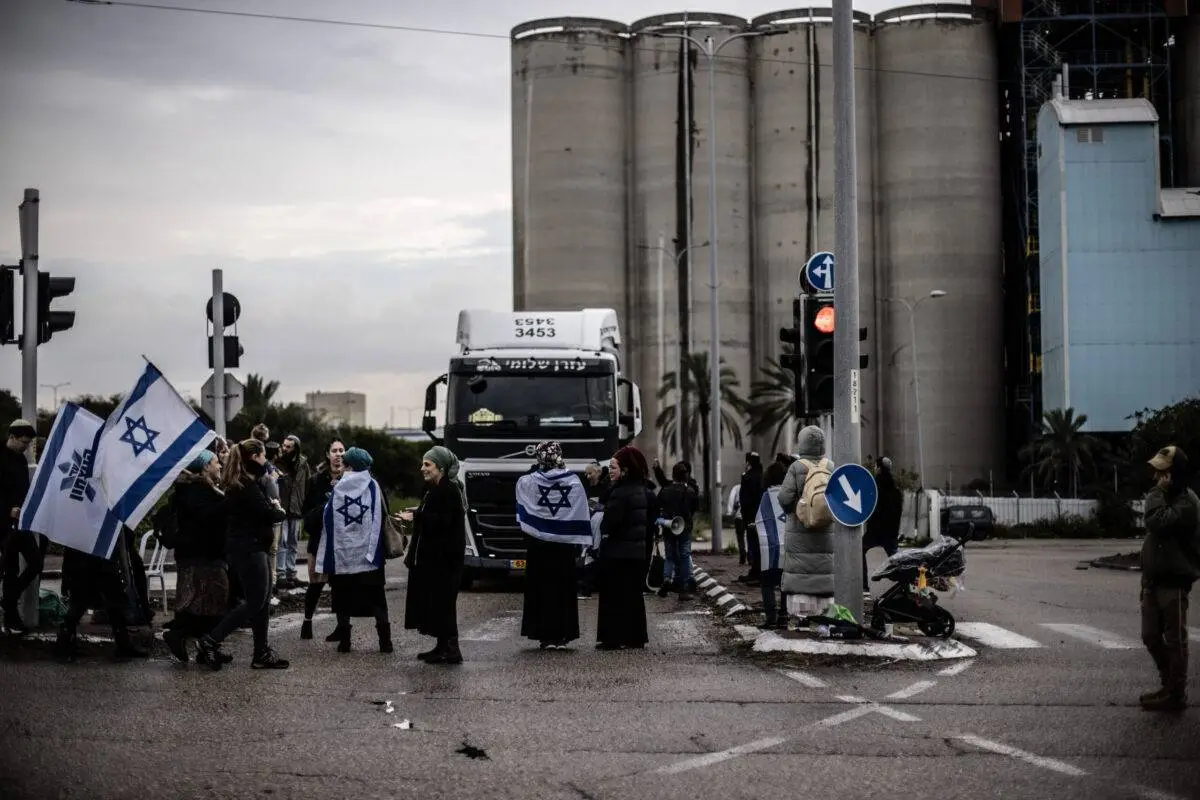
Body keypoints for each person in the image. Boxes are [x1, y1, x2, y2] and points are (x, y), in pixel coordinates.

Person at [196, 439, 289, 670]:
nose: (266, 460)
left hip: (254, 547)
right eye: (263, 455)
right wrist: (278, 509)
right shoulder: (245, 485)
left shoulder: (245, 483)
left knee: (262, 602)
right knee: (255, 602)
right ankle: (210, 640)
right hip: (249, 549)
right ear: (254, 456)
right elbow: (267, 513)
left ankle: (261, 653)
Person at [1139, 445, 1200, 712]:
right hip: (1153, 580)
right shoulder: (1164, 496)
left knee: (1175, 639)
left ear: (1175, 473)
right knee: (1150, 636)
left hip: (1174, 581)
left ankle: (1176, 692)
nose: (1156, 478)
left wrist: (1156, 493)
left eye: (1162, 472)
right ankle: (1168, 684)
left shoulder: (1187, 503)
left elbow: (1157, 522)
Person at [516, 441, 591, 650]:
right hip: (563, 547)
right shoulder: (574, 482)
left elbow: (523, 505)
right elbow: (579, 510)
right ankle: (563, 635)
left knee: (542, 591)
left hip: (539, 547)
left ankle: (544, 635)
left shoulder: (529, 482)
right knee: (563, 591)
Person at [317, 447, 392, 654]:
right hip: (370, 555)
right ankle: (385, 642)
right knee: (377, 597)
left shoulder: (339, 487)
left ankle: (345, 641)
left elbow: (328, 517)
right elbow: (384, 513)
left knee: (342, 597)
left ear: (350, 465)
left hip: (344, 555)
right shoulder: (373, 485)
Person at [400, 445, 467, 665]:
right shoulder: (434, 488)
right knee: (437, 603)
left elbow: (444, 522)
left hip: (446, 560)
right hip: (435, 559)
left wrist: (417, 515)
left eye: (427, 464)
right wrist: (419, 512)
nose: (423, 468)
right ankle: (441, 647)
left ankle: (452, 649)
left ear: (440, 467)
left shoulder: (449, 490)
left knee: (445, 603)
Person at [162, 450, 229, 664]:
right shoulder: (196, 490)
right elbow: (207, 517)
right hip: (200, 555)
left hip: (202, 554)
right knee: (208, 600)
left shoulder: (200, 488)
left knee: (207, 603)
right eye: (216, 462)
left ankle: (206, 647)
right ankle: (179, 635)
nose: (220, 466)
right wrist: (228, 503)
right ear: (205, 466)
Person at [777, 426, 835, 621]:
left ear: (801, 444)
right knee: (824, 569)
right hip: (827, 532)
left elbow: (784, 499)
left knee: (801, 571)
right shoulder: (830, 466)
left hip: (800, 532)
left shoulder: (796, 467)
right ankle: (825, 615)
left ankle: (801, 619)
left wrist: (801, 508)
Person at [595, 445, 650, 650]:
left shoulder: (619, 494)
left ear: (625, 470)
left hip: (617, 552)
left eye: (614, 468)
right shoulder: (639, 489)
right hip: (636, 552)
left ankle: (612, 638)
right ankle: (636, 637)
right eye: (609, 467)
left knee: (613, 597)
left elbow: (609, 523)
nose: (610, 471)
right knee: (633, 597)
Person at [299, 438, 345, 641]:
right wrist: (327, 505)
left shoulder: (351, 479)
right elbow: (306, 513)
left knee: (340, 585)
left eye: (342, 450)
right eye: (334, 450)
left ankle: (342, 626)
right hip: (319, 539)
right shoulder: (317, 481)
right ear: (328, 454)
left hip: (343, 541)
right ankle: (307, 621)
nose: (338, 454)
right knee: (316, 583)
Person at [1, 419, 39, 634]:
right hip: (3, 524)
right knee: (11, 569)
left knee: (35, 563)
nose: (25, 447)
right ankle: (11, 617)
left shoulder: (21, 460)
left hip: (21, 522)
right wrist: (8, 509)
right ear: (12, 437)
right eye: (23, 442)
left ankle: (8, 601)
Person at [656, 461, 699, 601]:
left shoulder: (666, 490)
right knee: (685, 555)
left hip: (669, 528)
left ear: (673, 475)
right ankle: (684, 588)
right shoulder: (691, 492)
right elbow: (694, 509)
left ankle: (667, 579)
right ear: (686, 476)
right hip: (685, 528)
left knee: (669, 556)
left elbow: (658, 506)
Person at [275, 434, 312, 588]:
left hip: (296, 507)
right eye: (284, 446)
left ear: (295, 448)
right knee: (282, 542)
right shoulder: (278, 462)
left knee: (293, 542)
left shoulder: (303, 464)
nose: (285, 449)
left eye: (288, 446)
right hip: (282, 507)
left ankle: (291, 573)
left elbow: (308, 484)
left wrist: (306, 504)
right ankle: (282, 574)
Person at [863, 457, 903, 594]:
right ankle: (906, 585)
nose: (874, 469)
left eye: (875, 466)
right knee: (896, 560)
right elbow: (898, 513)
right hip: (890, 532)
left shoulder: (874, 486)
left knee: (860, 551)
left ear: (879, 468)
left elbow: (869, 507)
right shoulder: (895, 489)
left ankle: (864, 587)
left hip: (875, 531)